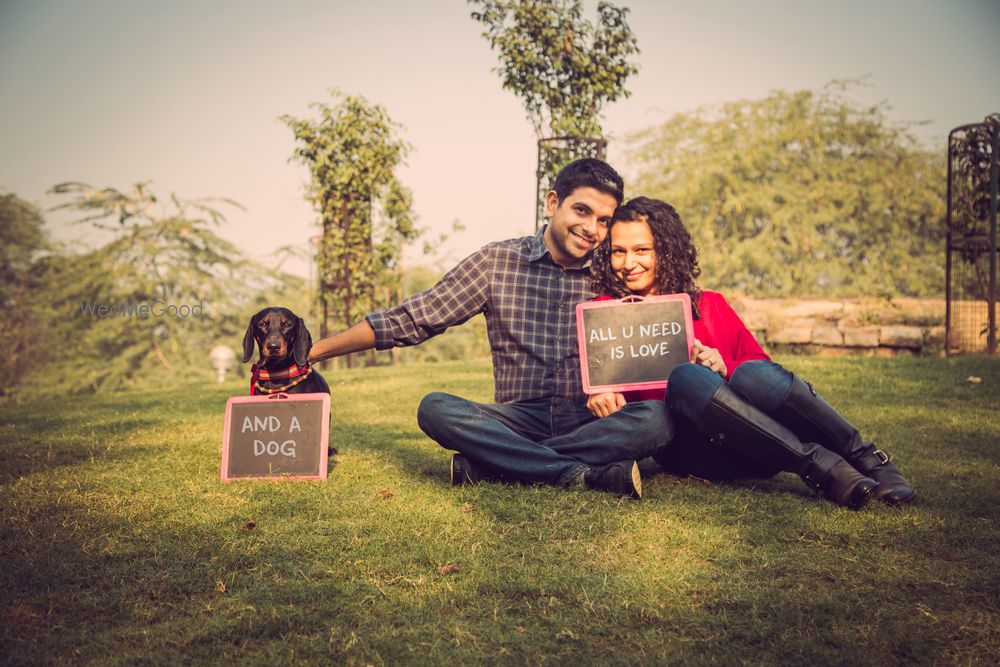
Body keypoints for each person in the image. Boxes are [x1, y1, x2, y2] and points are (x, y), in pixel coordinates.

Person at [308, 159, 671, 499]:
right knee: (435, 409)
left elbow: (659, 330)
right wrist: (316, 352)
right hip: (516, 418)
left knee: (655, 420)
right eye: (582, 210)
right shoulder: (497, 262)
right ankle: (580, 473)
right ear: (552, 203)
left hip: (588, 419)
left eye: (604, 220)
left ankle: (497, 465)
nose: (592, 229)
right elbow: (414, 317)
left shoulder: (614, 270)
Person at [587, 196, 916, 509]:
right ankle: (820, 466)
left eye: (642, 250)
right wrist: (602, 390)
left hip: (759, 439)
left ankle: (866, 458)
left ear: (668, 249)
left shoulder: (710, 304)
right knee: (686, 377)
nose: (628, 263)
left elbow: (766, 376)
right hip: (695, 448)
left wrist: (722, 368)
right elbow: (602, 383)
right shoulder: (607, 313)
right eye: (619, 252)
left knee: (748, 372)